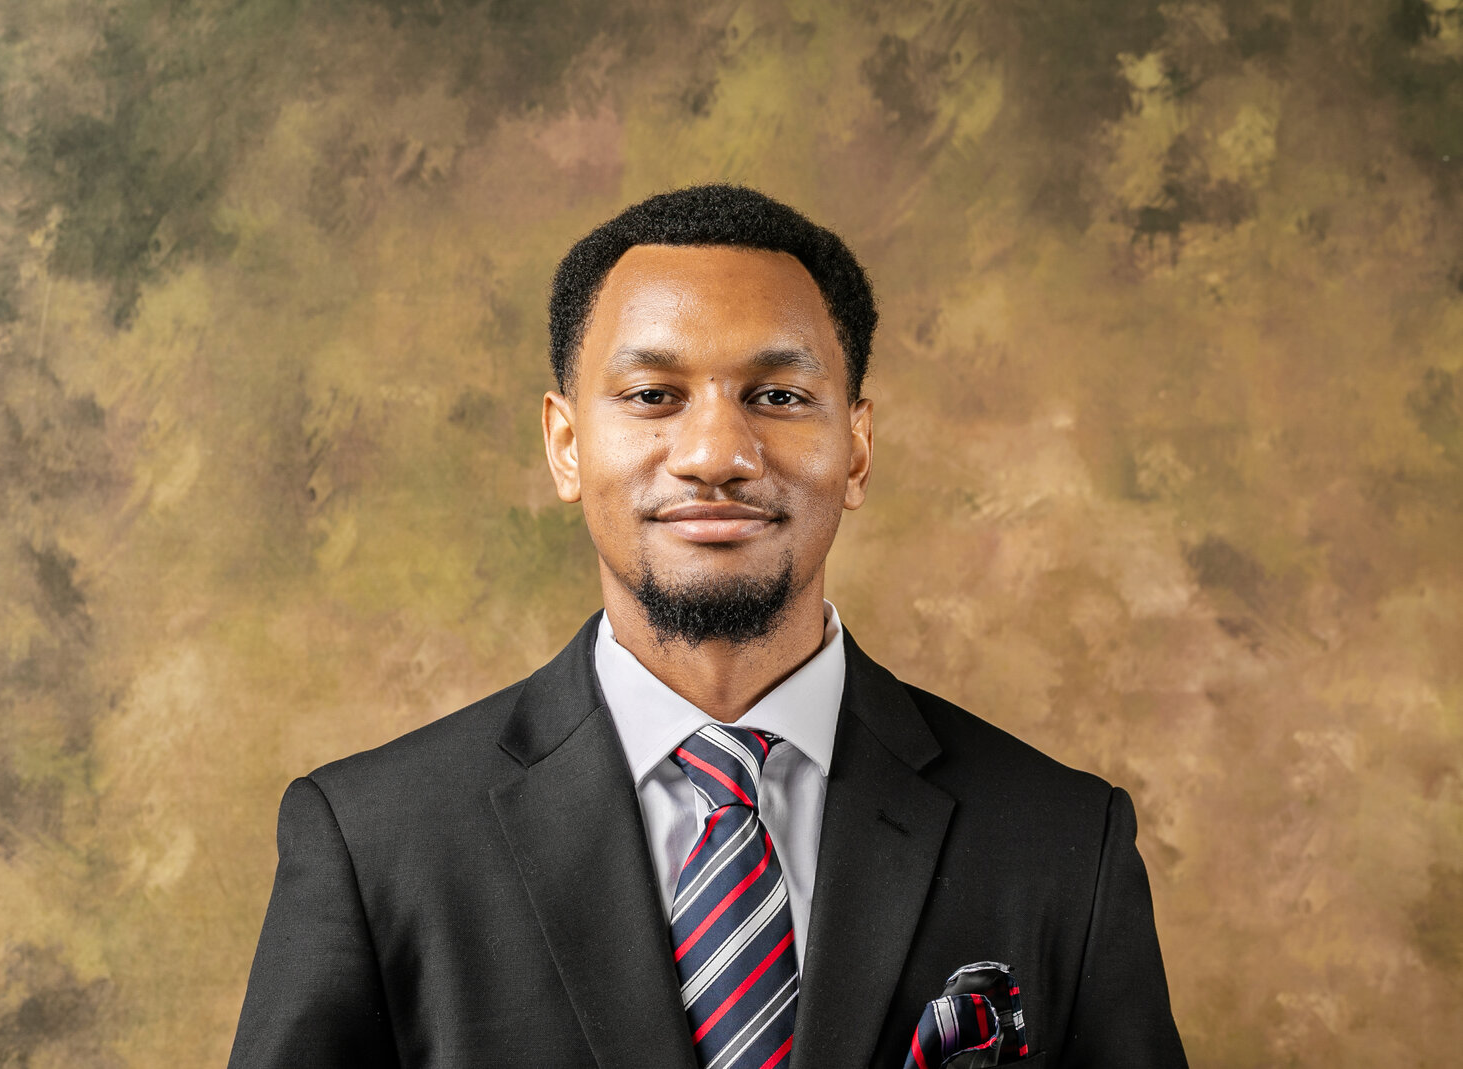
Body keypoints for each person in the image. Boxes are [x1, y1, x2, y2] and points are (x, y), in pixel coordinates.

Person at [228, 185, 1188, 1069]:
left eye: (777, 397)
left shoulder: (1061, 841)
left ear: (856, 449)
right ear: (566, 444)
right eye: (653, 395)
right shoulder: (374, 842)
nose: (716, 453)